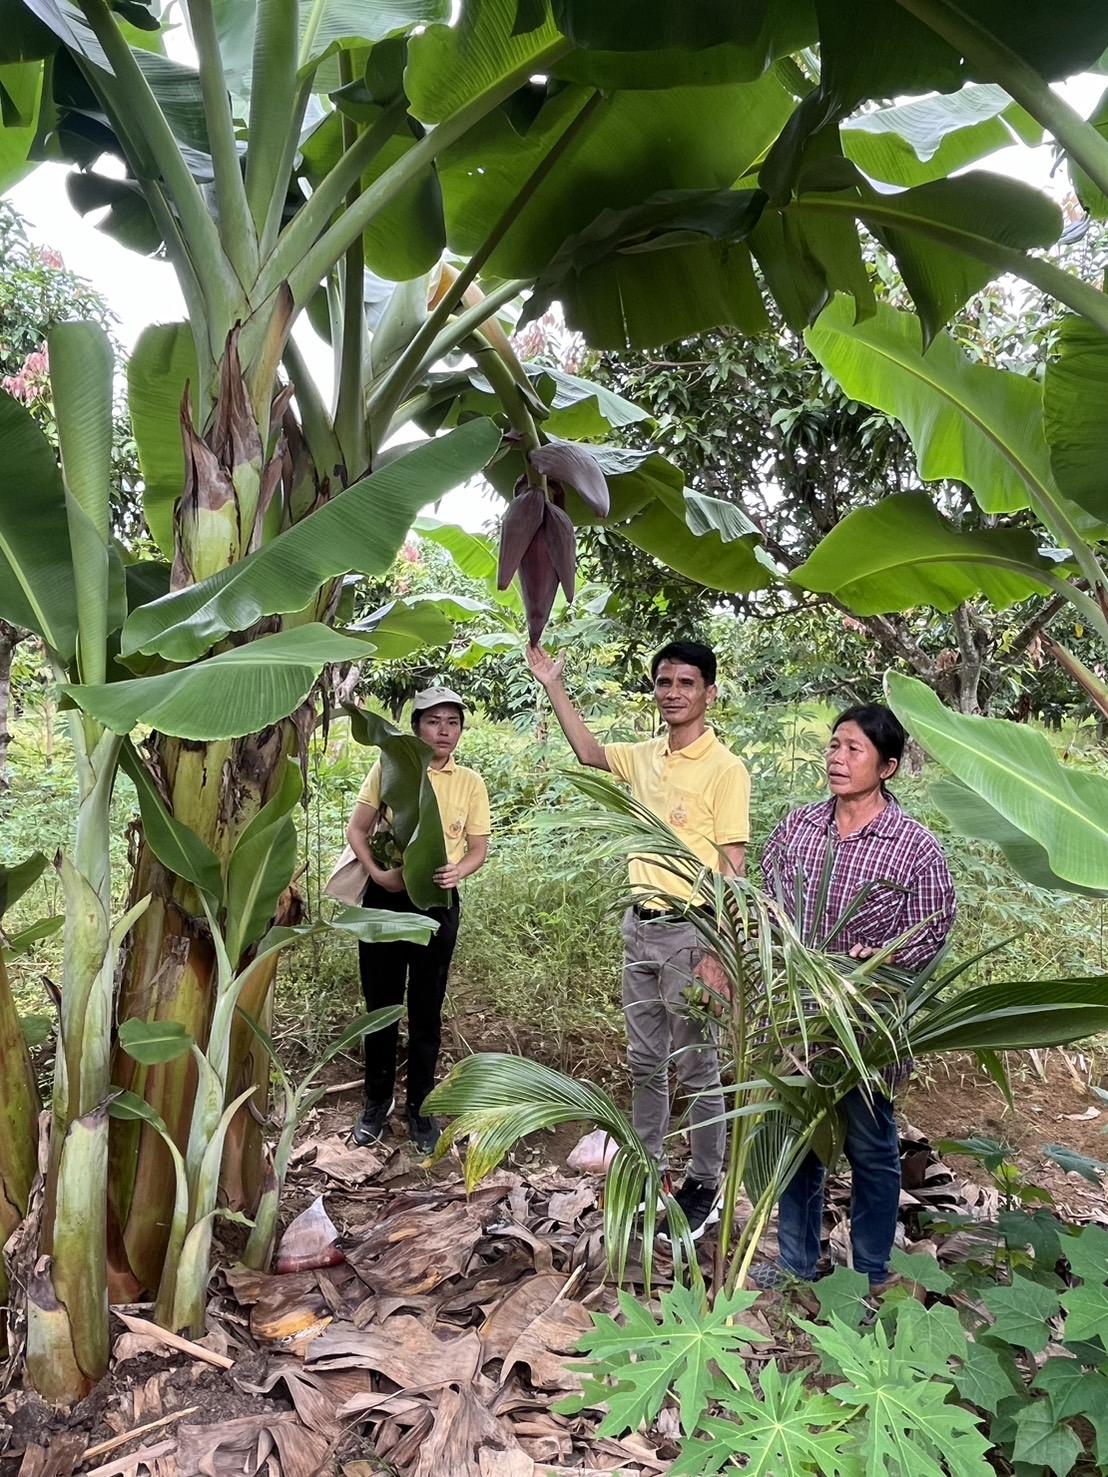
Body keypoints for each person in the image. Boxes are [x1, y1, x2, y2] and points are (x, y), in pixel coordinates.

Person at [527, 639, 750, 1239]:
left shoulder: (725, 769)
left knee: (699, 1068)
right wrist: (552, 682)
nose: (673, 693)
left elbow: (733, 866)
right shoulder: (646, 755)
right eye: (665, 682)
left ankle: (705, 1181)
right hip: (640, 926)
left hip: (693, 931)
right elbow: (589, 751)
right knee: (646, 1062)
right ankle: (649, 1172)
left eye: (686, 683)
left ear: (709, 692)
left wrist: (719, 953)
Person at [754, 703, 956, 1294]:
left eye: (854, 750)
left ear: (888, 766)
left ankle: (868, 1273)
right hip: (797, 1022)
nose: (838, 759)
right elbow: (765, 906)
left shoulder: (913, 848)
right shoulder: (798, 829)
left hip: (867, 1029)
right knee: (799, 1144)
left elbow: (928, 936)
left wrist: (861, 968)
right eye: (834, 746)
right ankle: (795, 1265)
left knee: (871, 1149)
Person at [345, 687, 490, 1154]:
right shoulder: (391, 766)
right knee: (380, 1007)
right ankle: (375, 1105)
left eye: (453, 722)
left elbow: (478, 849)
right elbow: (357, 828)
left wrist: (458, 870)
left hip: (437, 903)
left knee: (426, 1011)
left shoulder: (469, 781)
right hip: (385, 901)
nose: (444, 731)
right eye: (434, 722)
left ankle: (421, 1111)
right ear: (416, 728)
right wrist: (378, 874)